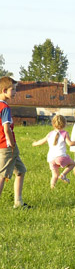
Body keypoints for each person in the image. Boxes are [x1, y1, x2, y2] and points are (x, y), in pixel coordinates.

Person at [0, 77, 29, 208]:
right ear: (4, 90)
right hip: (7, 146)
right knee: (2, 175)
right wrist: (11, 144)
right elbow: (6, 128)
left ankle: (18, 202)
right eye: (13, 90)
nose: (15, 92)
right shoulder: (4, 107)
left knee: (21, 170)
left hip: (10, 146)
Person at [31, 114, 75, 189]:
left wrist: (35, 143)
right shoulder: (65, 133)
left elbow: (42, 141)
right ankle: (63, 175)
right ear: (64, 124)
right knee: (73, 164)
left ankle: (52, 187)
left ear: (53, 124)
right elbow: (70, 143)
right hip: (60, 157)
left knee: (54, 175)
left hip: (51, 159)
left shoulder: (50, 134)